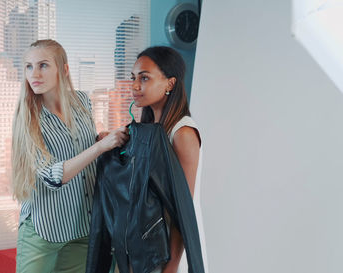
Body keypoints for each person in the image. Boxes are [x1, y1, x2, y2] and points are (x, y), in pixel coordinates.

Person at [11, 39, 129, 273]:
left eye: (43, 65)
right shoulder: (28, 118)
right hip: (43, 230)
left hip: (82, 225)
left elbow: (82, 147)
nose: (34, 73)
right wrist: (100, 147)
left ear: (63, 69)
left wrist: (97, 139)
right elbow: (52, 176)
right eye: (28, 66)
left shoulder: (83, 101)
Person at [130, 46, 208, 273]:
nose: (135, 86)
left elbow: (183, 208)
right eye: (133, 78)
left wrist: (172, 264)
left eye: (144, 78)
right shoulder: (148, 131)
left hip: (175, 251)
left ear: (170, 84)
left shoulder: (182, 133)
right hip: (150, 245)